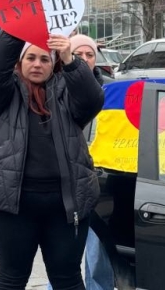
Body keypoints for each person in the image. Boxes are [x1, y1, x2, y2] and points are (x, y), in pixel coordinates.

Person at [0, 31, 104, 290]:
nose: (37, 64)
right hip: (13, 205)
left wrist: (70, 60)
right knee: (11, 279)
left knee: (67, 279)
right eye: (31, 58)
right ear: (20, 63)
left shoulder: (66, 94)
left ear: (54, 64)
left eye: (45, 60)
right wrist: (16, 29)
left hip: (65, 206)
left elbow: (93, 100)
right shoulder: (5, 94)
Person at [45, 34, 113, 290]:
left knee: (99, 256)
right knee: (64, 259)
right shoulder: (54, 88)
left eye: (90, 55)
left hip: (103, 184)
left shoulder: (112, 92)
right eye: (79, 54)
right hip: (68, 185)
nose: (84, 59)